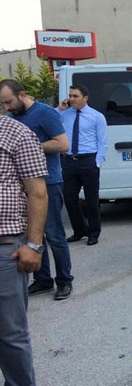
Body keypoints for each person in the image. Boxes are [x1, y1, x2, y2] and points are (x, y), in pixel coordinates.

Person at [0, 79, 74, 300]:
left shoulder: (45, 113)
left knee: (53, 235)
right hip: (22, 187)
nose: (7, 108)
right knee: (33, 234)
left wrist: (27, 147)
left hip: (47, 183)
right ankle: (42, 280)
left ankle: (64, 281)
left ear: (22, 94)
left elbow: (62, 144)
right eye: (3, 104)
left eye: (9, 102)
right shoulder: (12, 117)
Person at [0, 114, 48, 386]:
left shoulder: (16, 133)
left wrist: (33, 244)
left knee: (10, 329)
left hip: (6, 245)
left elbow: (38, 194)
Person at [56, 84, 107, 246]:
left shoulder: (96, 116)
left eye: (75, 96)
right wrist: (59, 109)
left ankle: (94, 232)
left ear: (85, 98)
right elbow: (50, 119)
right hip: (70, 161)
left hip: (88, 160)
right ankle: (79, 230)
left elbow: (102, 141)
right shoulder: (65, 114)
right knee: (70, 198)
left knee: (92, 200)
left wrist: (97, 162)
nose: (71, 99)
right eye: (70, 95)